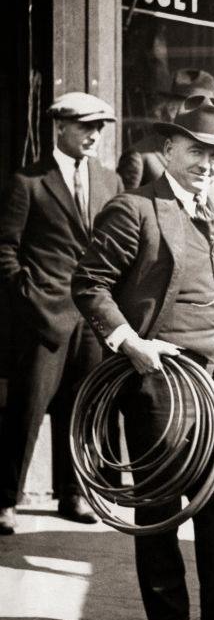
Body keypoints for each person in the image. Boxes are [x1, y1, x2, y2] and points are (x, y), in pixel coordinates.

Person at [72, 95, 214, 620]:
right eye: (197, 150)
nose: (208, 162)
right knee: (160, 509)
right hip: (159, 382)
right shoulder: (133, 209)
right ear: (168, 150)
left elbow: (204, 274)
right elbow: (89, 285)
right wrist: (130, 342)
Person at [0, 93, 121, 536]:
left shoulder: (109, 182)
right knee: (26, 411)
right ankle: (5, 499)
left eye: (99, 128)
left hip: (92, 318)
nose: (93, 135)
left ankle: (72, 494)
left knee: (82, 410)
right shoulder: (29, 181)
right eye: (84, 126)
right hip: (44, 316)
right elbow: (5, 249)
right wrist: (28, 296)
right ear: (60, 127)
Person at [118, 69, 214, 189]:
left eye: (207, 111)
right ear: (172, 110)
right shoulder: (141, 157)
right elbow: (126, 205)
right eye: (195, 109)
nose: (204, 118)